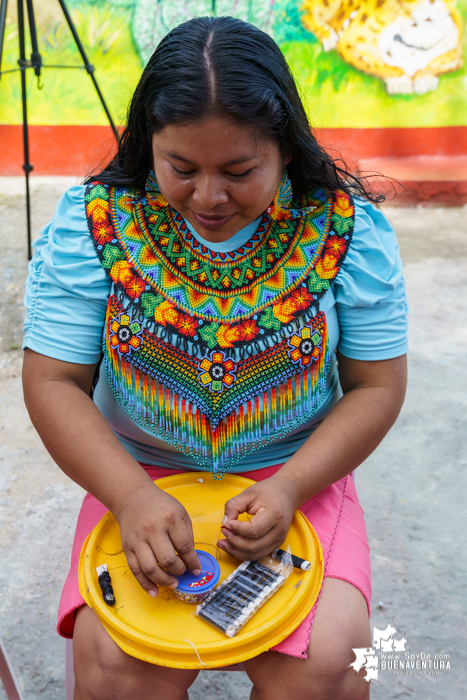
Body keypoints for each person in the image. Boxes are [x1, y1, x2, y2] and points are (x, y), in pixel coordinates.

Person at [22, 15, 408, 700]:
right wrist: (131, 497)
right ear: (149, 146)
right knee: (117, 664)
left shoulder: (344, 230)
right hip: (136, 480)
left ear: (284, 148)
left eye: (238, 171)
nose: (208, 197)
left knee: (326, 660)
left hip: (295, 478)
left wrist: (290, 488)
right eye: (180, 167)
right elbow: (53, 380)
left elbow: (376, 386)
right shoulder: (93, 225)